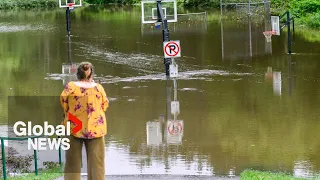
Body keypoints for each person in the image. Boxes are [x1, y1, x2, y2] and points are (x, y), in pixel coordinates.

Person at [60, 62, 109, 180]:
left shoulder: (70, 87)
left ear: (78, 74)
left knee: (72, 162)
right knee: (97, 163)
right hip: (96, 128)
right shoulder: (98, 87)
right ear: (92, 74)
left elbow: (64, 103)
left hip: (74, 126)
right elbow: (105, 105)